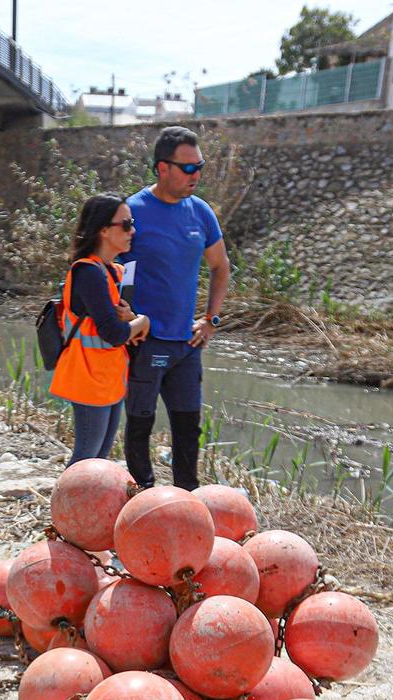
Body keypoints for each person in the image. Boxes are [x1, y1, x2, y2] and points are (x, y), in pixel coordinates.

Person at [121, 126, 231, 491]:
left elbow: (220, 266)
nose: (196, 175)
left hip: (187, 345)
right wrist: (126, 319)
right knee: (140, 424)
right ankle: (142, 502)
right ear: (161, 168)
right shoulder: (132, 212)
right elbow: (109, 269)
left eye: (199, 166)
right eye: (187, 168)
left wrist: (211, 319)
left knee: (189, 427)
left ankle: (187, 502)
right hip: (147, 343)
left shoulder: (200, 212)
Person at [49, 195, 150, 467]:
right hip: (87, 376)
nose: (133, 230)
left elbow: (124, 325)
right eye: (126, 224)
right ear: (103, 230)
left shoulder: (116, 272)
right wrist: (142, 322)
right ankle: (65, 508)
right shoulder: (87, 272)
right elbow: (114, 333)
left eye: (133, 223)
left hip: (109, 376)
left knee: (99, 458)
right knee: (86, 458)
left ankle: (82, 508)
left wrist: (134, 319)